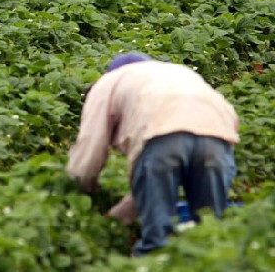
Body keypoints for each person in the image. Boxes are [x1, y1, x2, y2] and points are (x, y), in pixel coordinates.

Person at [67, 52, 239, 256]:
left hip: (162, 133)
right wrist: (122, 213)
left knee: (157, 243)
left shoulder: (108, 84)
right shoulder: (177, 74)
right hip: (217, 134)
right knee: (210, 232)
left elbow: (89, 151)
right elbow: (149, 189)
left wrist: (81, 190)